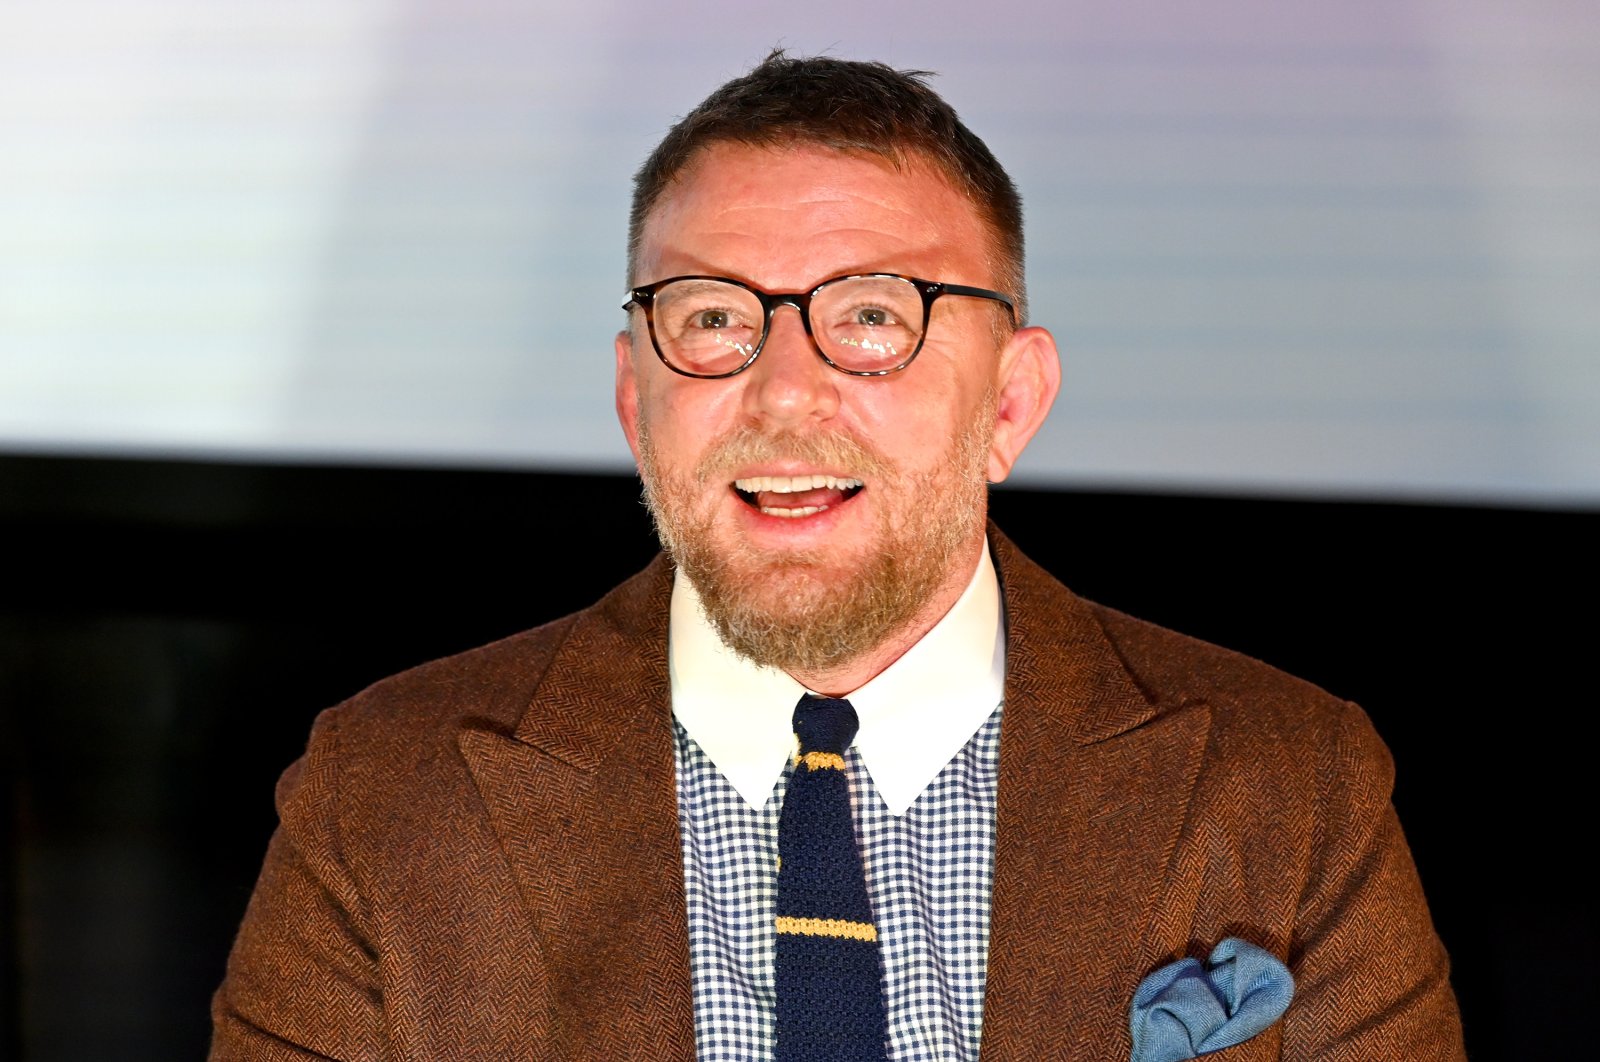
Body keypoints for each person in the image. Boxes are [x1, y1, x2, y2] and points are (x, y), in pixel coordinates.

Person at [211, 52, 1465, 1060]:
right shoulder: (379, 797)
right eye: (713, 320)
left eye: (872, 318)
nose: (783, 394)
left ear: (1012, 404)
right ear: (634, 400)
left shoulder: (1294, 788)